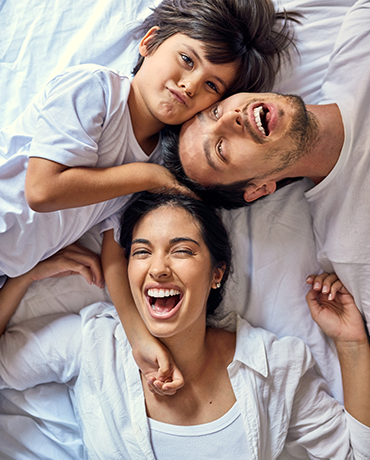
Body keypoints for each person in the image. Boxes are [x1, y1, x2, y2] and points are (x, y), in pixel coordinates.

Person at [0, 191, 369, 459]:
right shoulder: (94, 342)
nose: (158, 268)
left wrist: (352, 344)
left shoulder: (274, 365)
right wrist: (23, 278)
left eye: (181, 250)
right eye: (142, 252)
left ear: (216, 274)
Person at [0, 0, 298, 288]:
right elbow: (42, 190)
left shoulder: (161, 159)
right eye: (187, 60)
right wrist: (147, 177)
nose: (190, 85)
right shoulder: (95, 90)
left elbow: (113, 253)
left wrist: (140, 337)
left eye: (212, 85)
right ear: (149, 41)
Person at [161, 0, 370, 333]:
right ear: (259, 188)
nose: (230, 118)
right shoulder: (352, 250)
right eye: (220, 148)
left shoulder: (360, 37)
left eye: (214, 113)